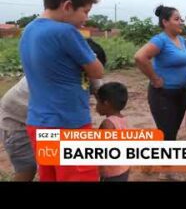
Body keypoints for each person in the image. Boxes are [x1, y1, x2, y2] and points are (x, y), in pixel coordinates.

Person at [19, 0, 104, 181]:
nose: (86, 17)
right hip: (69, 125)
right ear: (67, 6)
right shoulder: (66, 32)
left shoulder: (29, 30)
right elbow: (97, 70)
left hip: (38, 123)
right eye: (85, 11)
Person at [0, 38, 107, 182]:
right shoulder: (50, 78)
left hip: (44, 122)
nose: (92, 72)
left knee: (55, 161)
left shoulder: (89, 71)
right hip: (16, 121)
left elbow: (103, 94)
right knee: (27, 168)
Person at [134, 5, 186, 181]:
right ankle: (167, 171)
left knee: (169, 131)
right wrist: (154, 78)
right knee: (168, 133)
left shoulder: (181, 40)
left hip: (181, 93)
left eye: (181, 18)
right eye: (176, 19)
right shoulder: (161, 40)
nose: (180, 21)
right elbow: (140, 57)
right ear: (165, 22)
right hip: (163, 95)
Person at [96, 82, 130, 182]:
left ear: (106, 103)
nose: (96, 106)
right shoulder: (123, 120)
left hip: (111, 173)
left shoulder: (107, 124)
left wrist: (102, 168)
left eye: (98, 102)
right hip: (124, 169)